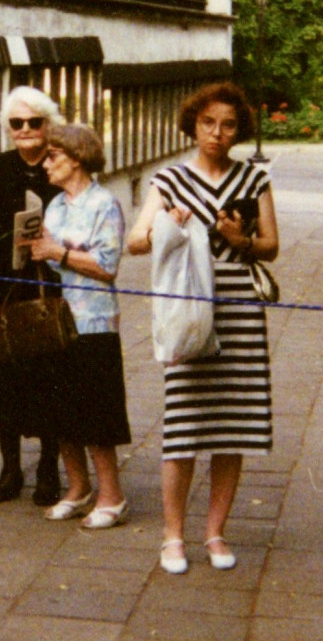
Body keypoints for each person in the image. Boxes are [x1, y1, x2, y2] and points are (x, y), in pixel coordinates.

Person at [127, 82, 277, 574]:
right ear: (193, 124)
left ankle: (215, 533)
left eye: (228, 124)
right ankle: (173, 537)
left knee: (233, 425)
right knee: (184, 424)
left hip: (238, 307)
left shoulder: (254, 178)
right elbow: (136, 242)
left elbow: (271, 245)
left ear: (240, 129)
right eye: (208, 122)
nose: (217, 132)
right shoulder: (169, 178)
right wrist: (165, 225)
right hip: (189, 306)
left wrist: (242, 239)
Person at [26, 123, 131, 528]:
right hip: (59, 320)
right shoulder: (55, 206)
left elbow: (107, 266)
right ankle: (77, 488)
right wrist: (38, 248)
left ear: (77, 159)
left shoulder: (104, 204)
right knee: (62, 411)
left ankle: (112, 495)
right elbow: (51, 258)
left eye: (53, 156)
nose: (46, 163)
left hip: (95, 320)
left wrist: (60, 252)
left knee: (97, 413)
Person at [0, 87, 65, 506]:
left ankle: (48, 467)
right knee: (2, 373)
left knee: (50, 372)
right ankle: (10, 469)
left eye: (34, 122)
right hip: (1, 284)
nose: (25, 130)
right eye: (16, 123)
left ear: (48, 126)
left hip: (47, 280)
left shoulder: (60, 165)